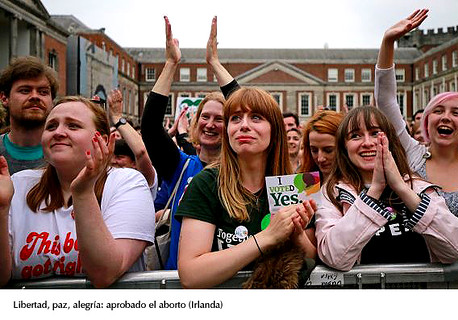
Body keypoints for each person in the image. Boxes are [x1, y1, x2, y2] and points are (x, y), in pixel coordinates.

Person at [0, 96, 155, 288]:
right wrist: (2, 208)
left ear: (103, 141)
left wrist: (83, 193)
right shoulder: (18, 184)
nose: (58, 132)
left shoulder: (127, 183)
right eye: (51, 126)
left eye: (73, 126)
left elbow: (105, 273)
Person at [176, 86, 317, 288]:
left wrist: (297, 235)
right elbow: (191, 274)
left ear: (274, 129)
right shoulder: (206, 183)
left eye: (256, 117)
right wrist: (266, 238)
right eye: (235, 118)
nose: (244, 126)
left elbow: (313, 259)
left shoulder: (296, 185)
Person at [375, 9, 458, 234]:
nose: (446, 117)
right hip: (411, 265)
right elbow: (385, 99)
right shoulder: (412, 153)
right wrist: (388, 41)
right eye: (438, 110)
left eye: (457, 113)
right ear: (427, 121)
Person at [315, 106, 458, 271]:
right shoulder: (333, 192)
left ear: (391, 140)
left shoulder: (419, 186)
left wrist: (401, 188)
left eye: (375, 133)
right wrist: (375, 190)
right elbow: (334, 257)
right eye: (355, 136)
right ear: (344, 148)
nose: (367, 143)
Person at [140, 16, 225, 270]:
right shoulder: (182, 167)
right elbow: (151, 128)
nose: (210, 124)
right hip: (180, 281)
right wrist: (170, 64)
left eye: (220, 119)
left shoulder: (243, 168)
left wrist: (214, 64)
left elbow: (247, 108)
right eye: (205, 117)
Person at [0, 56, 58, 174]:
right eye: (25, 90)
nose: (35, 96)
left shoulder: (66, 154)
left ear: (52, 101)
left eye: (43, 92)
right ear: (4, 98)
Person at [107, 89, 157, 195]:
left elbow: (141, 152)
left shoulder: (143, 179)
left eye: (119, 157)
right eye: (112, 156)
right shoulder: (104, 178)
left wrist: (117, 118)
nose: (113, 161)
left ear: (134, 163)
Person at [300, 110, 343, 183]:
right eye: (314, 150)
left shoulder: (360, 187)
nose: (320, 159)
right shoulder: (303, 184)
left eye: (328, 150)